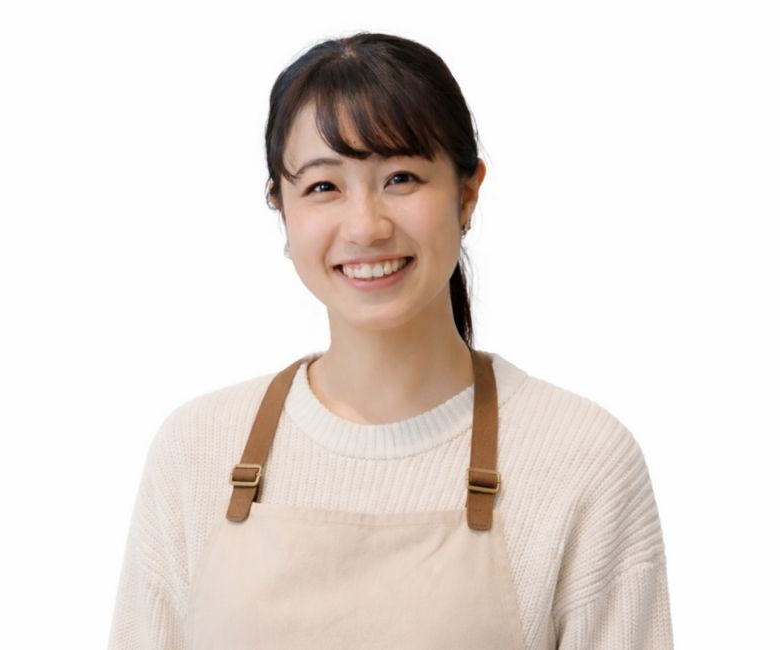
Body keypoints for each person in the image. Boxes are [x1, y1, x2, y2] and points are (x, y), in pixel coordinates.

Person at [108, 32, 674, 649]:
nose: (366, 226)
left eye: (401, 178)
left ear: (467, 193)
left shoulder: (583, 462)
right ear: (281, 207)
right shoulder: (195, 454)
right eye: (323, 187)